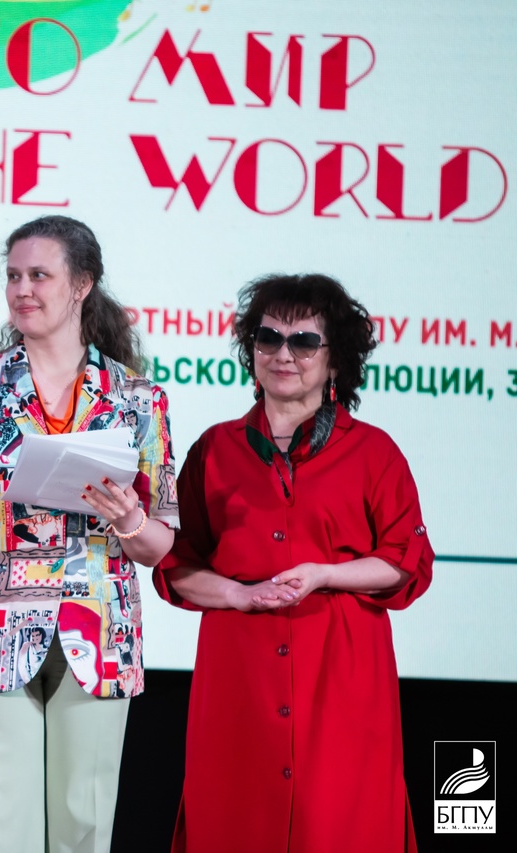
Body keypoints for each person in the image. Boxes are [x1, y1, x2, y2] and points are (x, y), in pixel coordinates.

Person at [0, 215, 179, 853]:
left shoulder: (137, 399)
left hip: (100, 635)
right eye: (13, 276)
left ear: (82, 284)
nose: (22, 289)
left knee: (84, 827)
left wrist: (129, 520)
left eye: (39, 275)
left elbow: (159, 546)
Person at [153, 273, 434, 852]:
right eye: (268, 338)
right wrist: (236, 593)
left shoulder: (373, 452)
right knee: (233, 823)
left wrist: (326, 574)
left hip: (342, 678)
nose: (284, 354)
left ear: (335, 362)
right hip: (239, 682)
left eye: (304, 341)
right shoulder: (214, 450)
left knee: (340, 825)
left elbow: (406, 561)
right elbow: (176, 567)